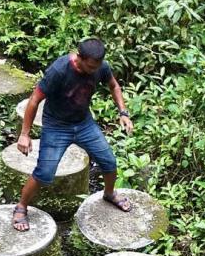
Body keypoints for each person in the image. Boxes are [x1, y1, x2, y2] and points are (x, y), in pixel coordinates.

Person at [13, 38, 134, 230]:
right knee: (45, 173)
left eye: (98, 66)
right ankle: (21, 207)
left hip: (83, 123)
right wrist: (25, 134)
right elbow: (34, 100)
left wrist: (123, 113)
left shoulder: (101, 67)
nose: (95, 70)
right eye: (91, 66)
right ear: (79, 57)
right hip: (56, 126)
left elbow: (114, 86)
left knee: (109, 162)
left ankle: (109, 193)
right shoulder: (59, 70)